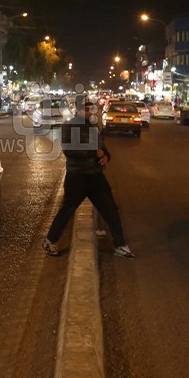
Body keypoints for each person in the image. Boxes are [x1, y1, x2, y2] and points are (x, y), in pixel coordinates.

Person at [42, 98, 133, 259]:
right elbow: (69, 151)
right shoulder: (69, 126)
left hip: (96, 176)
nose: (87, 111)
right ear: (76, 110)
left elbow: (102, 148)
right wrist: (94, 153)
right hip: (77, 177)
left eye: (89, 108)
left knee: (111, 210)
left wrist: (106, 157)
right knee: (67, 210)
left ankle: (120, 245)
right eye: (84, 108)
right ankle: (49, 241)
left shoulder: (93, 127)